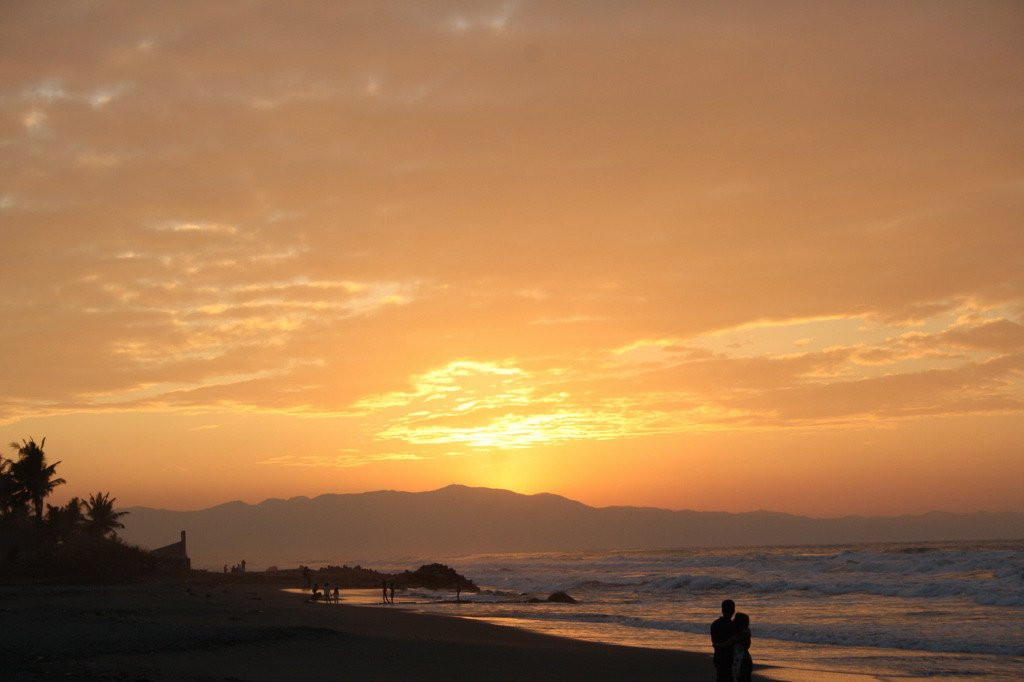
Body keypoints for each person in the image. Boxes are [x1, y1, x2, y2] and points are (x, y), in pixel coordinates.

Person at [710, 599, 736, 682]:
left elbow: (714, 641)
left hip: (718, 656)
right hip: (729, 658)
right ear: (733, 611)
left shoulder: (715, 624)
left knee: (720, 677)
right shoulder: (733, 626)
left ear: (722, 610)